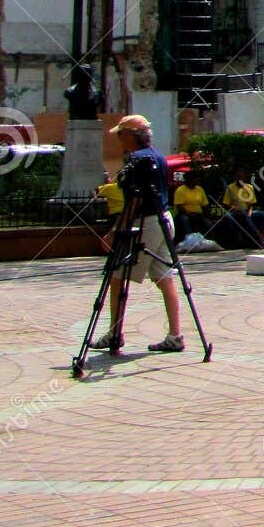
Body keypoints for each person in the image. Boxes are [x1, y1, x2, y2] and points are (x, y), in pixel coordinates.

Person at [88, 115, 184, 354]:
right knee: (165, 277)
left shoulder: (137, 160)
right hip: (164, 219)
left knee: (118, 276)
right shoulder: (158, 157)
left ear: (130, 135)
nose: (119, 139)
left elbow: (134, 201)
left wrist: (115, 231)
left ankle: (115, 333)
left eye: (121, 134)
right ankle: (175, 334)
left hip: (146, 223)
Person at [221, 167, 264, 250]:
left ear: (244, 178)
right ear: (235, 177)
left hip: (246, 211)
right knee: (228, 217)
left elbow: (251, 204)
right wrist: (235, 210)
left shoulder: (249, 187)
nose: (240, 179)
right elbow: (226, 204)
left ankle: (255, 239)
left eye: (241, 177)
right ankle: (237, 240)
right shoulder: (230, 188)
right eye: (238, 177)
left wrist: (249, 213)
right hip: (235, 212)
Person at [171, 170, 218, 251]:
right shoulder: (180, 190)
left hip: (197, 214)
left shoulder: (200, 189)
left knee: (208, 223)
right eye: (195, 179)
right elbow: (179, 206)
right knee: (184, 220)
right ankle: (189, 241)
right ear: (189, 179)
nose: (197, 181)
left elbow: (205, 204)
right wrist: (189, 213)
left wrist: (208, 214)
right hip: (184, 214)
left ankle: (209, 242)